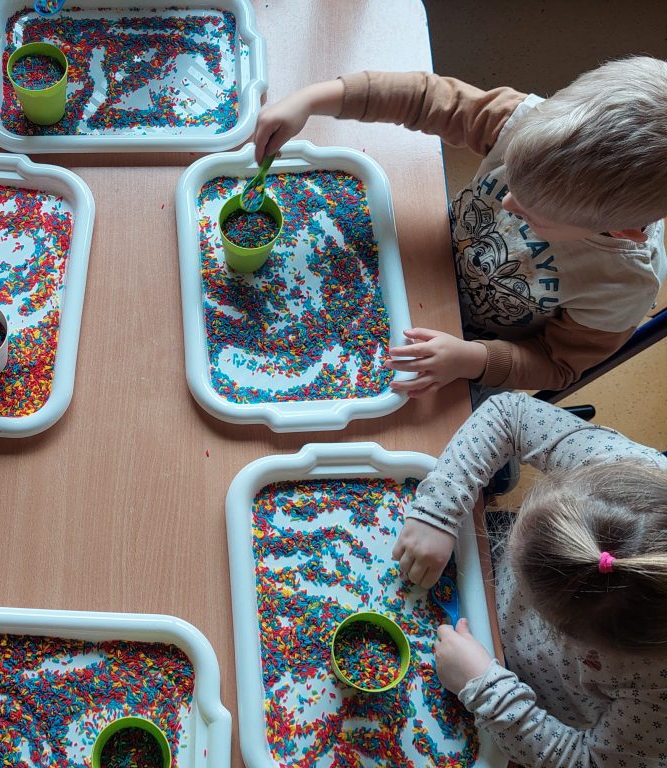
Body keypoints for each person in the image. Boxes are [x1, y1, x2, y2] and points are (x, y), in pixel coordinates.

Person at [253, 58, 667, 397]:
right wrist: (312, 99)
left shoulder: (622, 285)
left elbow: (556, 365)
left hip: (472, 351)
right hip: (425, 260)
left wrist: (471, 359)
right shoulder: (529, 124)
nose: (508, 203)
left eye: (532, 214)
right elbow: (423, 98)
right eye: (511, 181)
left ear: (622, 231)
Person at [390, 391, 667, 765]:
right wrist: (438, 511)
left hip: (530, 699)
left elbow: (589, 761)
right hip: (476, 587)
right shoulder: (621, 474)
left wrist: (488, 690)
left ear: (569, 635)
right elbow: (509, 413)